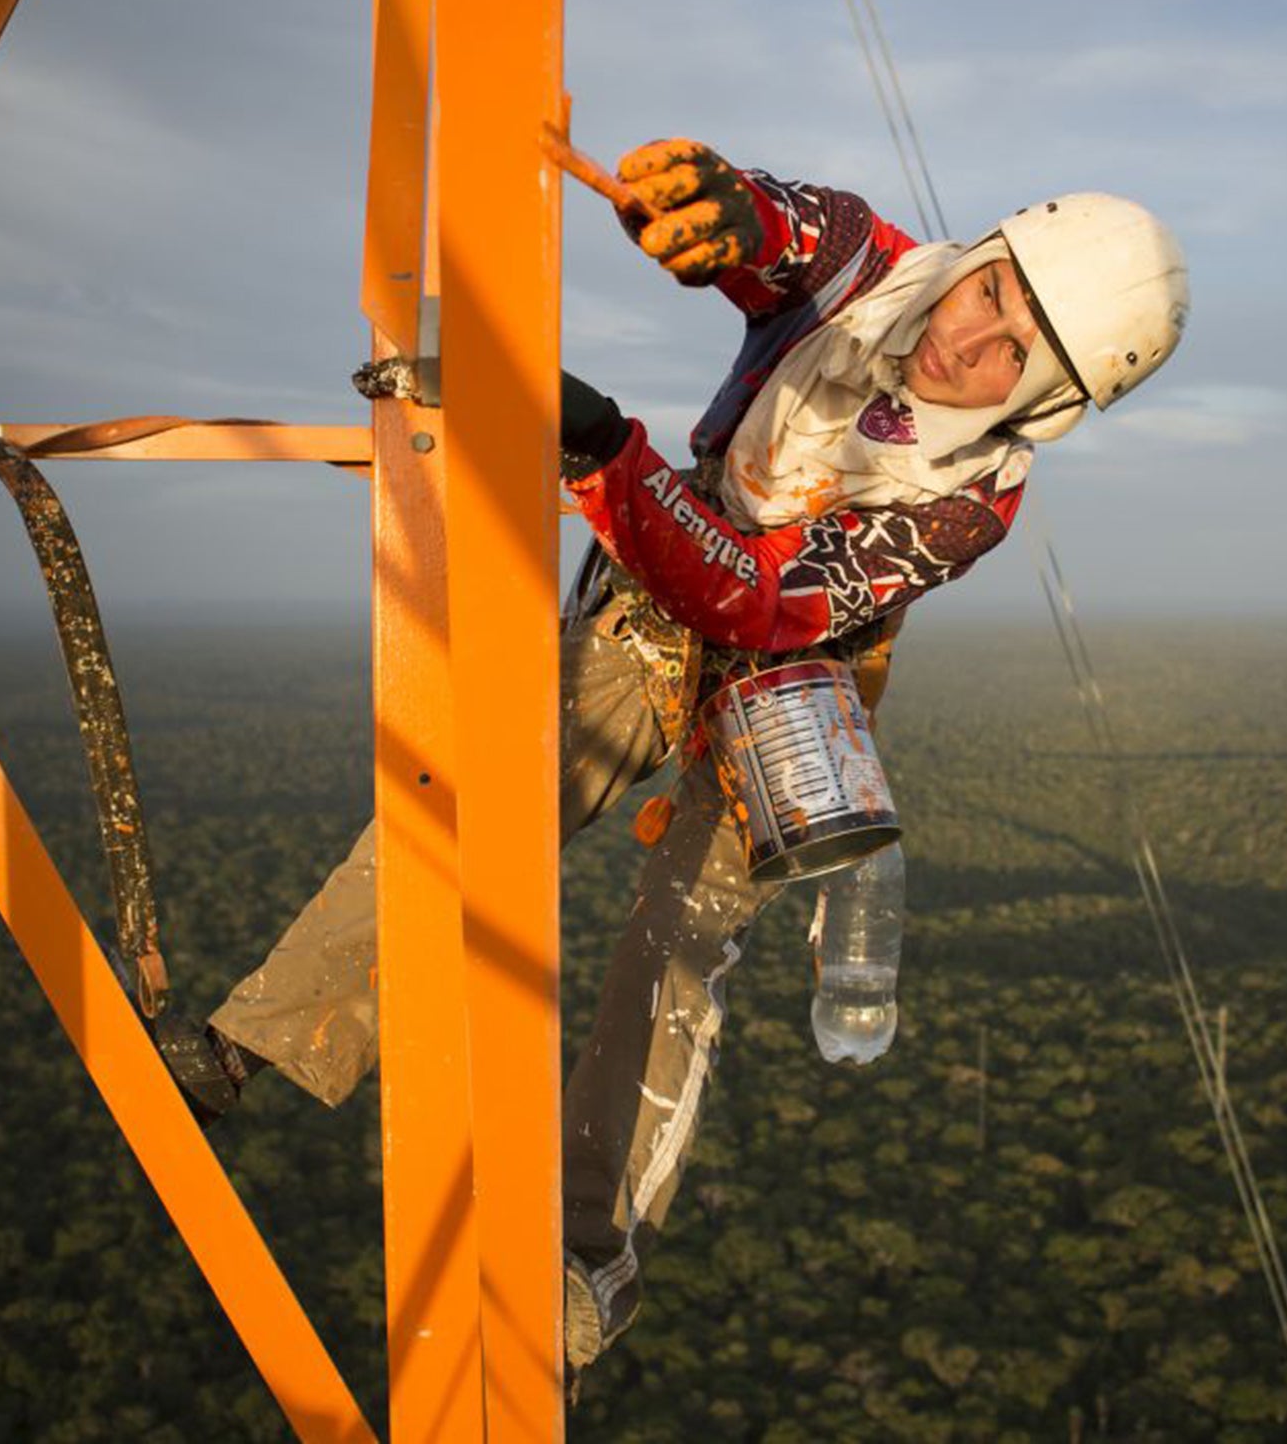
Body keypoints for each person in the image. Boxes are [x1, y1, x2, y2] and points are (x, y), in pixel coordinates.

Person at [163, 139, 1190, 1374]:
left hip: (786, 678)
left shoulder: (973, 496)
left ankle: (588, 1260)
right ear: (976, 256)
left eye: (1014, 354)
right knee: (477, 809)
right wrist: (709, 206)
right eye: (992, 294)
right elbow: (776, 234)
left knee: (676, 952)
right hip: (651, 603)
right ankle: (255, 1043)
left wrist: (602, 450)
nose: (968, 345)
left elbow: (759, 602)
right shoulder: (863, 266)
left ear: (1047, 404)